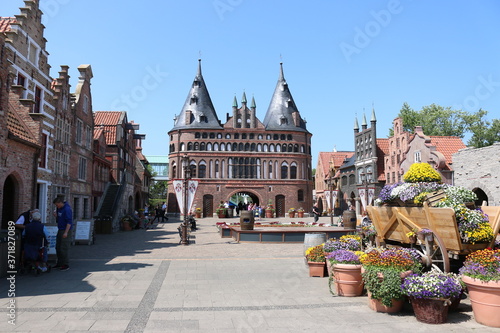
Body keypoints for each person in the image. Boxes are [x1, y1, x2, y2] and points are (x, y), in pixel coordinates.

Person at [53, 197, 73, 271]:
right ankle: (59, 263)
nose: (57, 206)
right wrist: (56, 216)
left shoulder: (67, 209)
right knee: (58, 247)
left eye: (57, 205)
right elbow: (59, 219)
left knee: (64, 248)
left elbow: (69, 222)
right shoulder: (59, 208)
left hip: (65, 230)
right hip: (60, 229)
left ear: (61, 203)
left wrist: (66, 232)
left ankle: (65, 264)